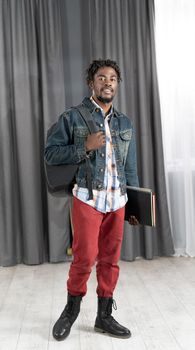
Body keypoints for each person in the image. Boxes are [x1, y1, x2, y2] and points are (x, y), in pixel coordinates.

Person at [44, 59, 139, 341]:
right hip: (87, 198)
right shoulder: (73, 117)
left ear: (116, 84)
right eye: (101, 77)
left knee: (110, 260)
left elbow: (129, 166)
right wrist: (84, 146)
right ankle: (71, 310)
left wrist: (132, 203)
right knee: (84, 258)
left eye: (112, 78)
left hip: (117, 201)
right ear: (91, 83)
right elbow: (50, 154)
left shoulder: (124, 122)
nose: (107, 82)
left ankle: (104, 316)